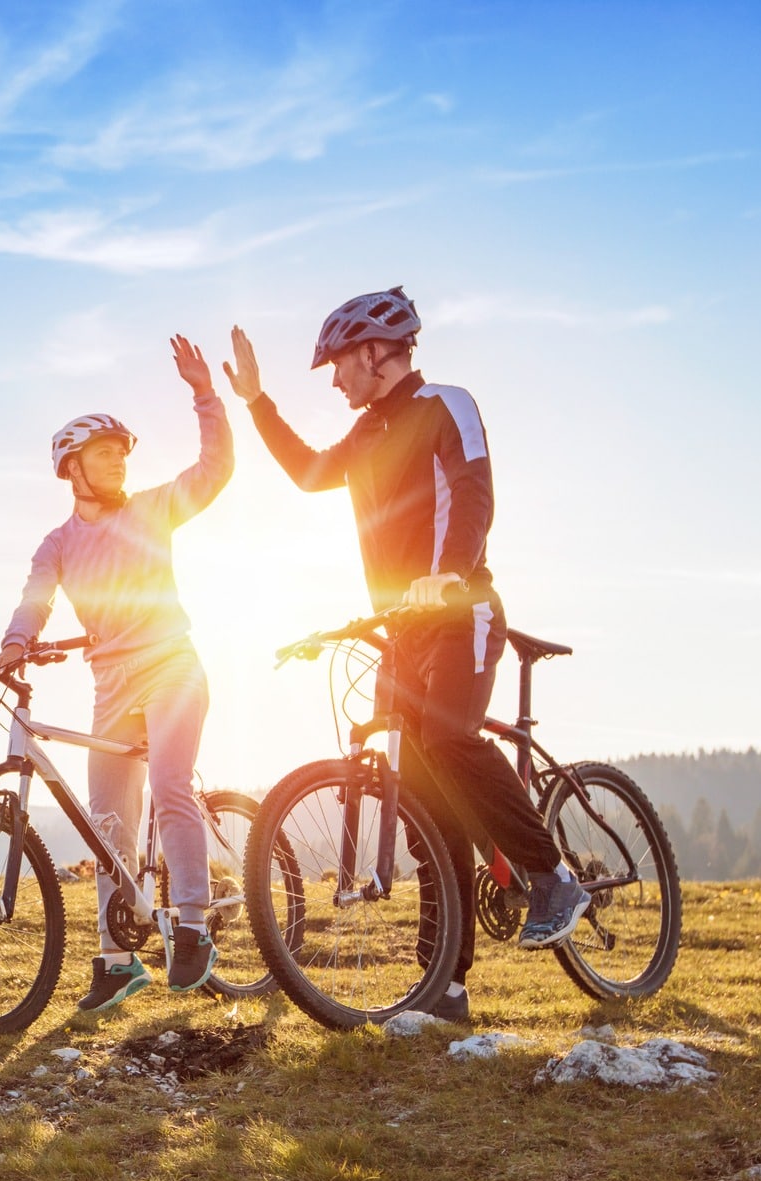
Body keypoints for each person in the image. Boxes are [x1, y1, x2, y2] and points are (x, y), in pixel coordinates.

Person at [223, 289, 589, 1022]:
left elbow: (474, 492)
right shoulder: (364, 436)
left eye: (336, 366)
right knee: (426, 811)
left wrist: (451, 569)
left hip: (462, 612)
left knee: (450, 739)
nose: (333, 382)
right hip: (404, 630)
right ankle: (444, 988)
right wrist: (257, 401)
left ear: (372, 353)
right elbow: (306, 472)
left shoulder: (445, 406)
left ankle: (552, 877)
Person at [0, 335, 232, 1021]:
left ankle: (191, 924)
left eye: (124, 452)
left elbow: (214, 470)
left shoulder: (153, 508)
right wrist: (15, 641)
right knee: (108, 825)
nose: (120, 461)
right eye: (104, 453)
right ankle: (118, 962)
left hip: (173, 665)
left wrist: (204, 394)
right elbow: (35, 596)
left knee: (170, 785)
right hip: (112, 685)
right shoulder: (57, 544)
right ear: (72, 469)